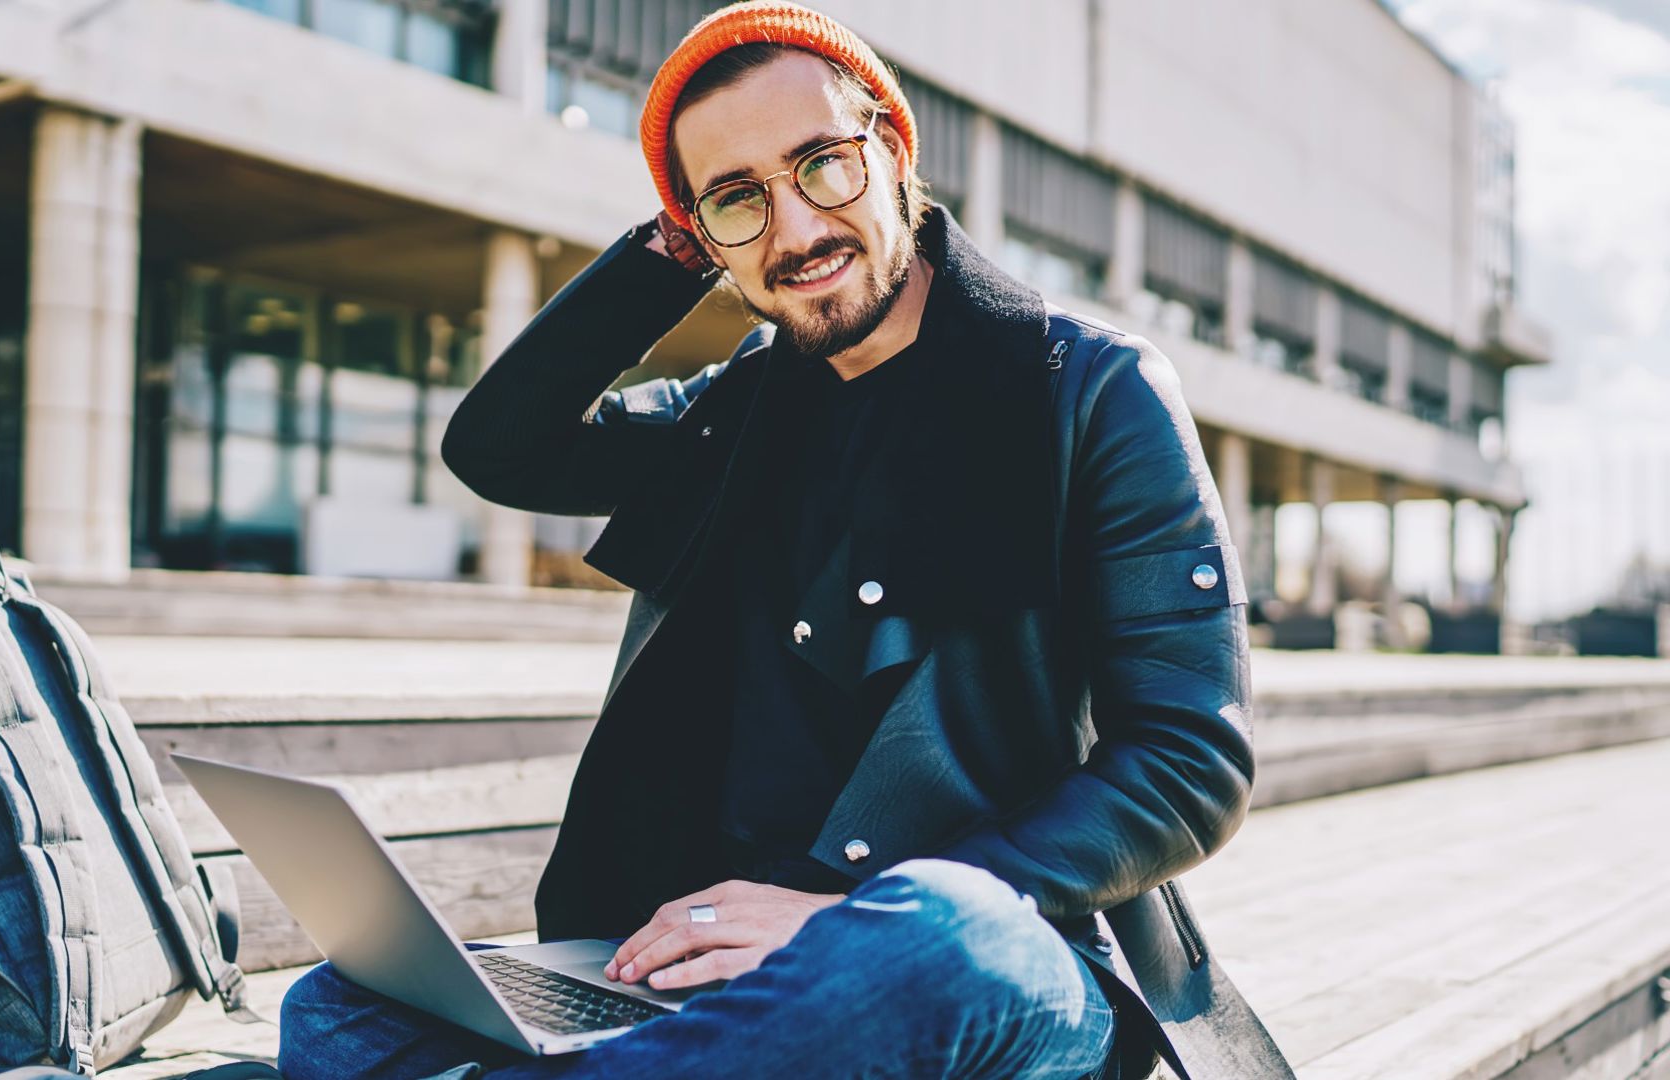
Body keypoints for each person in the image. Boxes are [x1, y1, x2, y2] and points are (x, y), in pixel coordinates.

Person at [279, 3, 1295, 1078]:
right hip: (705, 973)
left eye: (823, 166)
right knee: (344, 1004)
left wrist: (842, 917)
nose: (797, 231)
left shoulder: (1090, 392)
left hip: (980, 958)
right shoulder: (733, 409)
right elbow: (503, 450)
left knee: (934, 939)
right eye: (738, 200)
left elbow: (1188, 764)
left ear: (892, 151)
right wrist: (672, 252)